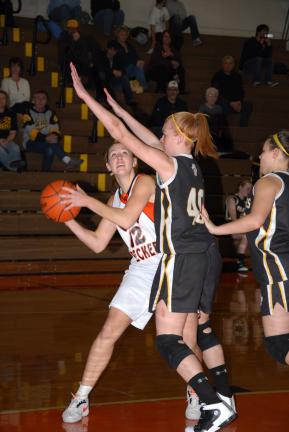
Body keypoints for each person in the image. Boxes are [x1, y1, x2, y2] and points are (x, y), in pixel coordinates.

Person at [69, 62, 237, 432]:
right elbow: (140, 137)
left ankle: (211, 401)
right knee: (185, 335)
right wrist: (121, 110)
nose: (158, 138)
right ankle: (214, 398)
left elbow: (124, 137)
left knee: (170, 339)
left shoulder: (166, 168)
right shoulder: (188, 164)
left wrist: (86, 99)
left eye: (163, 133)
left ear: (178, 137)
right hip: (200, 254)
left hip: (179, 258)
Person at [60, 141, 162, 423]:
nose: (119, 157)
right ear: (107, 166)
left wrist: (86, 202)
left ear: (134, 161)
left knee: (182, 335)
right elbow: (97, 243)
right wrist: (66, 218)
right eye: (113, 154)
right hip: (142, 267)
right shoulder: (114, 199)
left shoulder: (145, 182)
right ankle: (81, 397)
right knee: (108, 330)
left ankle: (197, 393)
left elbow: (128, 219)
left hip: (170, 263)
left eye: (124, 153)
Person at [202, 130, 289, 369]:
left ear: (276, 153)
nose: (259, 156)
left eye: (263, 151)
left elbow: (254, 221)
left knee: (279, 344)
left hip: (278, 271)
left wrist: (214, 228)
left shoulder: (269, 181)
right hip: (282, 267)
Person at [22, 90, 82, 171]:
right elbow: (31, 133)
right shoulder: (27, 113)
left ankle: (44, 173)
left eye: (43, 98)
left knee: (50, 149)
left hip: (48, 141)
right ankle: (66, 160)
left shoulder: (51, 113)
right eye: (38, 98)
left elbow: (55, 129)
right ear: (33, 100)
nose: (40, 101)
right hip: (30, 142)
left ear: (46, 101)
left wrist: (55, 136)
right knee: (51, 144)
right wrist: (46, 138)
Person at [58, 19, 101, 89]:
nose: (72, 30)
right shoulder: (64, 38)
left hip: (83, 64)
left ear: (78, 29)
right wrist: (75, 42)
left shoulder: (86, 38)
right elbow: (65, 54)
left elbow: (95, 50)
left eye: (74, 29)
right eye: (70, 28)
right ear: (67, 29)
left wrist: (91, 61)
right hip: (70, 64)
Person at [211, 55, 252, 127]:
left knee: (248, 105)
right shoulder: (217, 76)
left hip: (236, 102)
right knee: (221, 105)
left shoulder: (237, 76)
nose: (228, 65)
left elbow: (241, 91)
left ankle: (242, 127)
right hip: (224, 102)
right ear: (222, 64)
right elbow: (216, 93)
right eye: (226, 63)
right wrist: (230, 102)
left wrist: (239, 101)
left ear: (234, 65)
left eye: (230, 63)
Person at [225, 179, 252, 273]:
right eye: (247, 188)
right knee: (246, 236)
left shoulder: (246, 202)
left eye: (250, 189)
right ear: (240, 187)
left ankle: (254, 263)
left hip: (239, 228)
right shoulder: (232, 199)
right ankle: (240, 263)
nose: (249, 191)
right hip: (228, 227)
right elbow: (234, 219)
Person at [97, 40, 136, 106]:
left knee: (124, 78)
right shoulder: (101, 55)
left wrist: (120, 73)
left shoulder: (118, 57)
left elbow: (123, 69)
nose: (112, 52)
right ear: (107, 49)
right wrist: (113, 71)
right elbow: (100, 67)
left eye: (114, 50)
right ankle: (106, 99)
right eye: (111, 49)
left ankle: (130, 99)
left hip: (114, 80)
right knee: (101, 75)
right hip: (104, 80)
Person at [114, 25, 147, 91]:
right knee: (136, 68)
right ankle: (144, 88)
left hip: (131, 68)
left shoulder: (129, 45)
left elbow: (135, 55)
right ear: (117, 35)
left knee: (139, 69)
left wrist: (140, 60)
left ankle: (143, 88)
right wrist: (135, 62)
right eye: (122, 34)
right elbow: (121, 58)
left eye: (125, 35)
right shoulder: (114, 45)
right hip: (122, 68)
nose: (124, 36)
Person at [0, 90, 25, 172]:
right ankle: (15, 169)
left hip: (6, 140)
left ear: (6, 100)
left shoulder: (11, 113)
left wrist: (7, 140)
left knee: (15, 148)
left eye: (3, 98)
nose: (1, 100)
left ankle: (12, 168)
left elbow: (12, 132)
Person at [198, 87, 228, 151]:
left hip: (217, 134)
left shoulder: (219, 109)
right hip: (206, 135)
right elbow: (199, 124)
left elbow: (221, 123)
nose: (212, 98)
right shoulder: (202, 109)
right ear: (206, 97)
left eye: (214, 96)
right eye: (210, 96)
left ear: (217, 98)